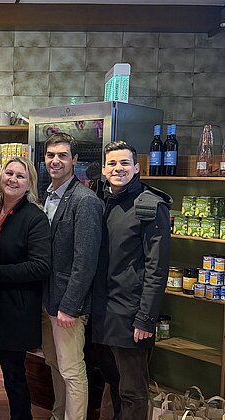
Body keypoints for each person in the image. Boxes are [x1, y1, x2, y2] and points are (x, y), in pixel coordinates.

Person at [92, 141, 171, 420]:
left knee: (133, 392)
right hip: (101, 312)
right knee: (112, 382)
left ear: (137, 168)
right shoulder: (100, 201)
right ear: (104, 169)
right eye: (112, 163)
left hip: (131, 315)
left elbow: (157, 268)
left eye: (125, 163)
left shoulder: (151, 205)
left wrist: (145, 318)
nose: (118, 168)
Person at [41, 133, 103, 420]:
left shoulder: (85, 200)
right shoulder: (48, 196)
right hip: (47, 299)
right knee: (54, 363)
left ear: (74, 160)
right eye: (51, 155)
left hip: (67, 305)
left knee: (72, 370)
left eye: (62, 155)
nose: (55, 161)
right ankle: (58, 415)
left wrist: (70, 306)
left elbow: (86, 260)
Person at [0, 157, 51, 420]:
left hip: (16, 307)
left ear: (29, 184)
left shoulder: (35, 217)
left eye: (20, 176)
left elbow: (41, 266)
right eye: (9, 173)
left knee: (14, 375)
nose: (13, 179)